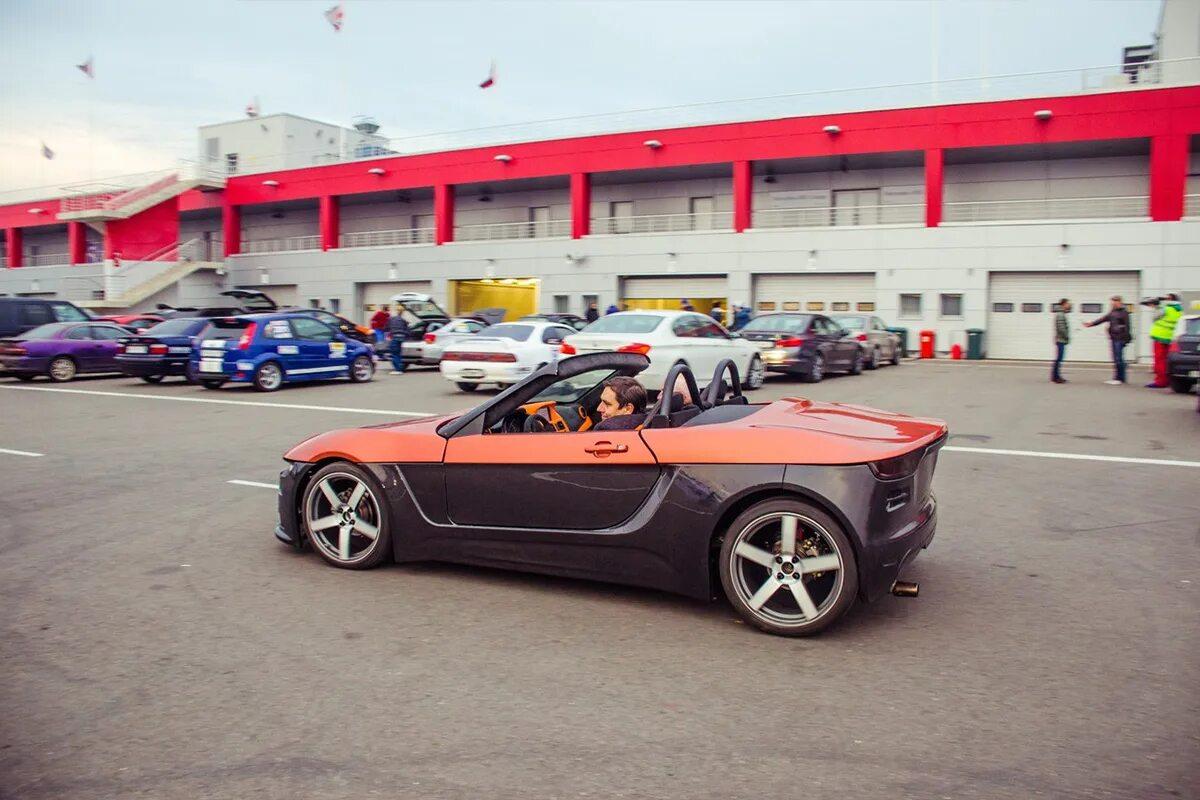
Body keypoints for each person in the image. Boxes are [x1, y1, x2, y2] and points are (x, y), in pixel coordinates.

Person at [1083, 295, 1132, 385]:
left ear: (1120, 302)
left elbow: (1127, 326)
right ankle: (1118, 377)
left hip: (1120, 338)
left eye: (1115, 301)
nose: (1113, 303)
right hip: (1113, 337)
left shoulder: (1124, 313)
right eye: (1112, 302)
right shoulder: (1112, 312)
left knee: (1118, 358)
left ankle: (1120, 378)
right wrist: (1091, 324)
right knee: (1116, 358)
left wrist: (1126, 339)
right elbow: (1102, 319)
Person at [1146, 293, 1183, 389]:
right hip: (1170, 337)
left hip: (1160, 337)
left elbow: (1154, 317)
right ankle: (1168, 380)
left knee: (1159, 360)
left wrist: (1156, 306)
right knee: (1167, 360)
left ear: (1170, 299)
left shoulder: (1166, 309)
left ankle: (1160, 381)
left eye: (1166, 298)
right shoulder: (1179, 310)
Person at [1051, 298, 1071, 384]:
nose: (1069, 305)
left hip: (1060, 339)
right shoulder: (1060, 314)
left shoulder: (1062, 314)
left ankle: (1055, 376)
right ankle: (1056, 377)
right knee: (1059, 358)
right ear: (1064, 304)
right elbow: (1061, 328)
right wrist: (1066, 336)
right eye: (1068, 303)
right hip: (1060, 339)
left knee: (1059, 358)